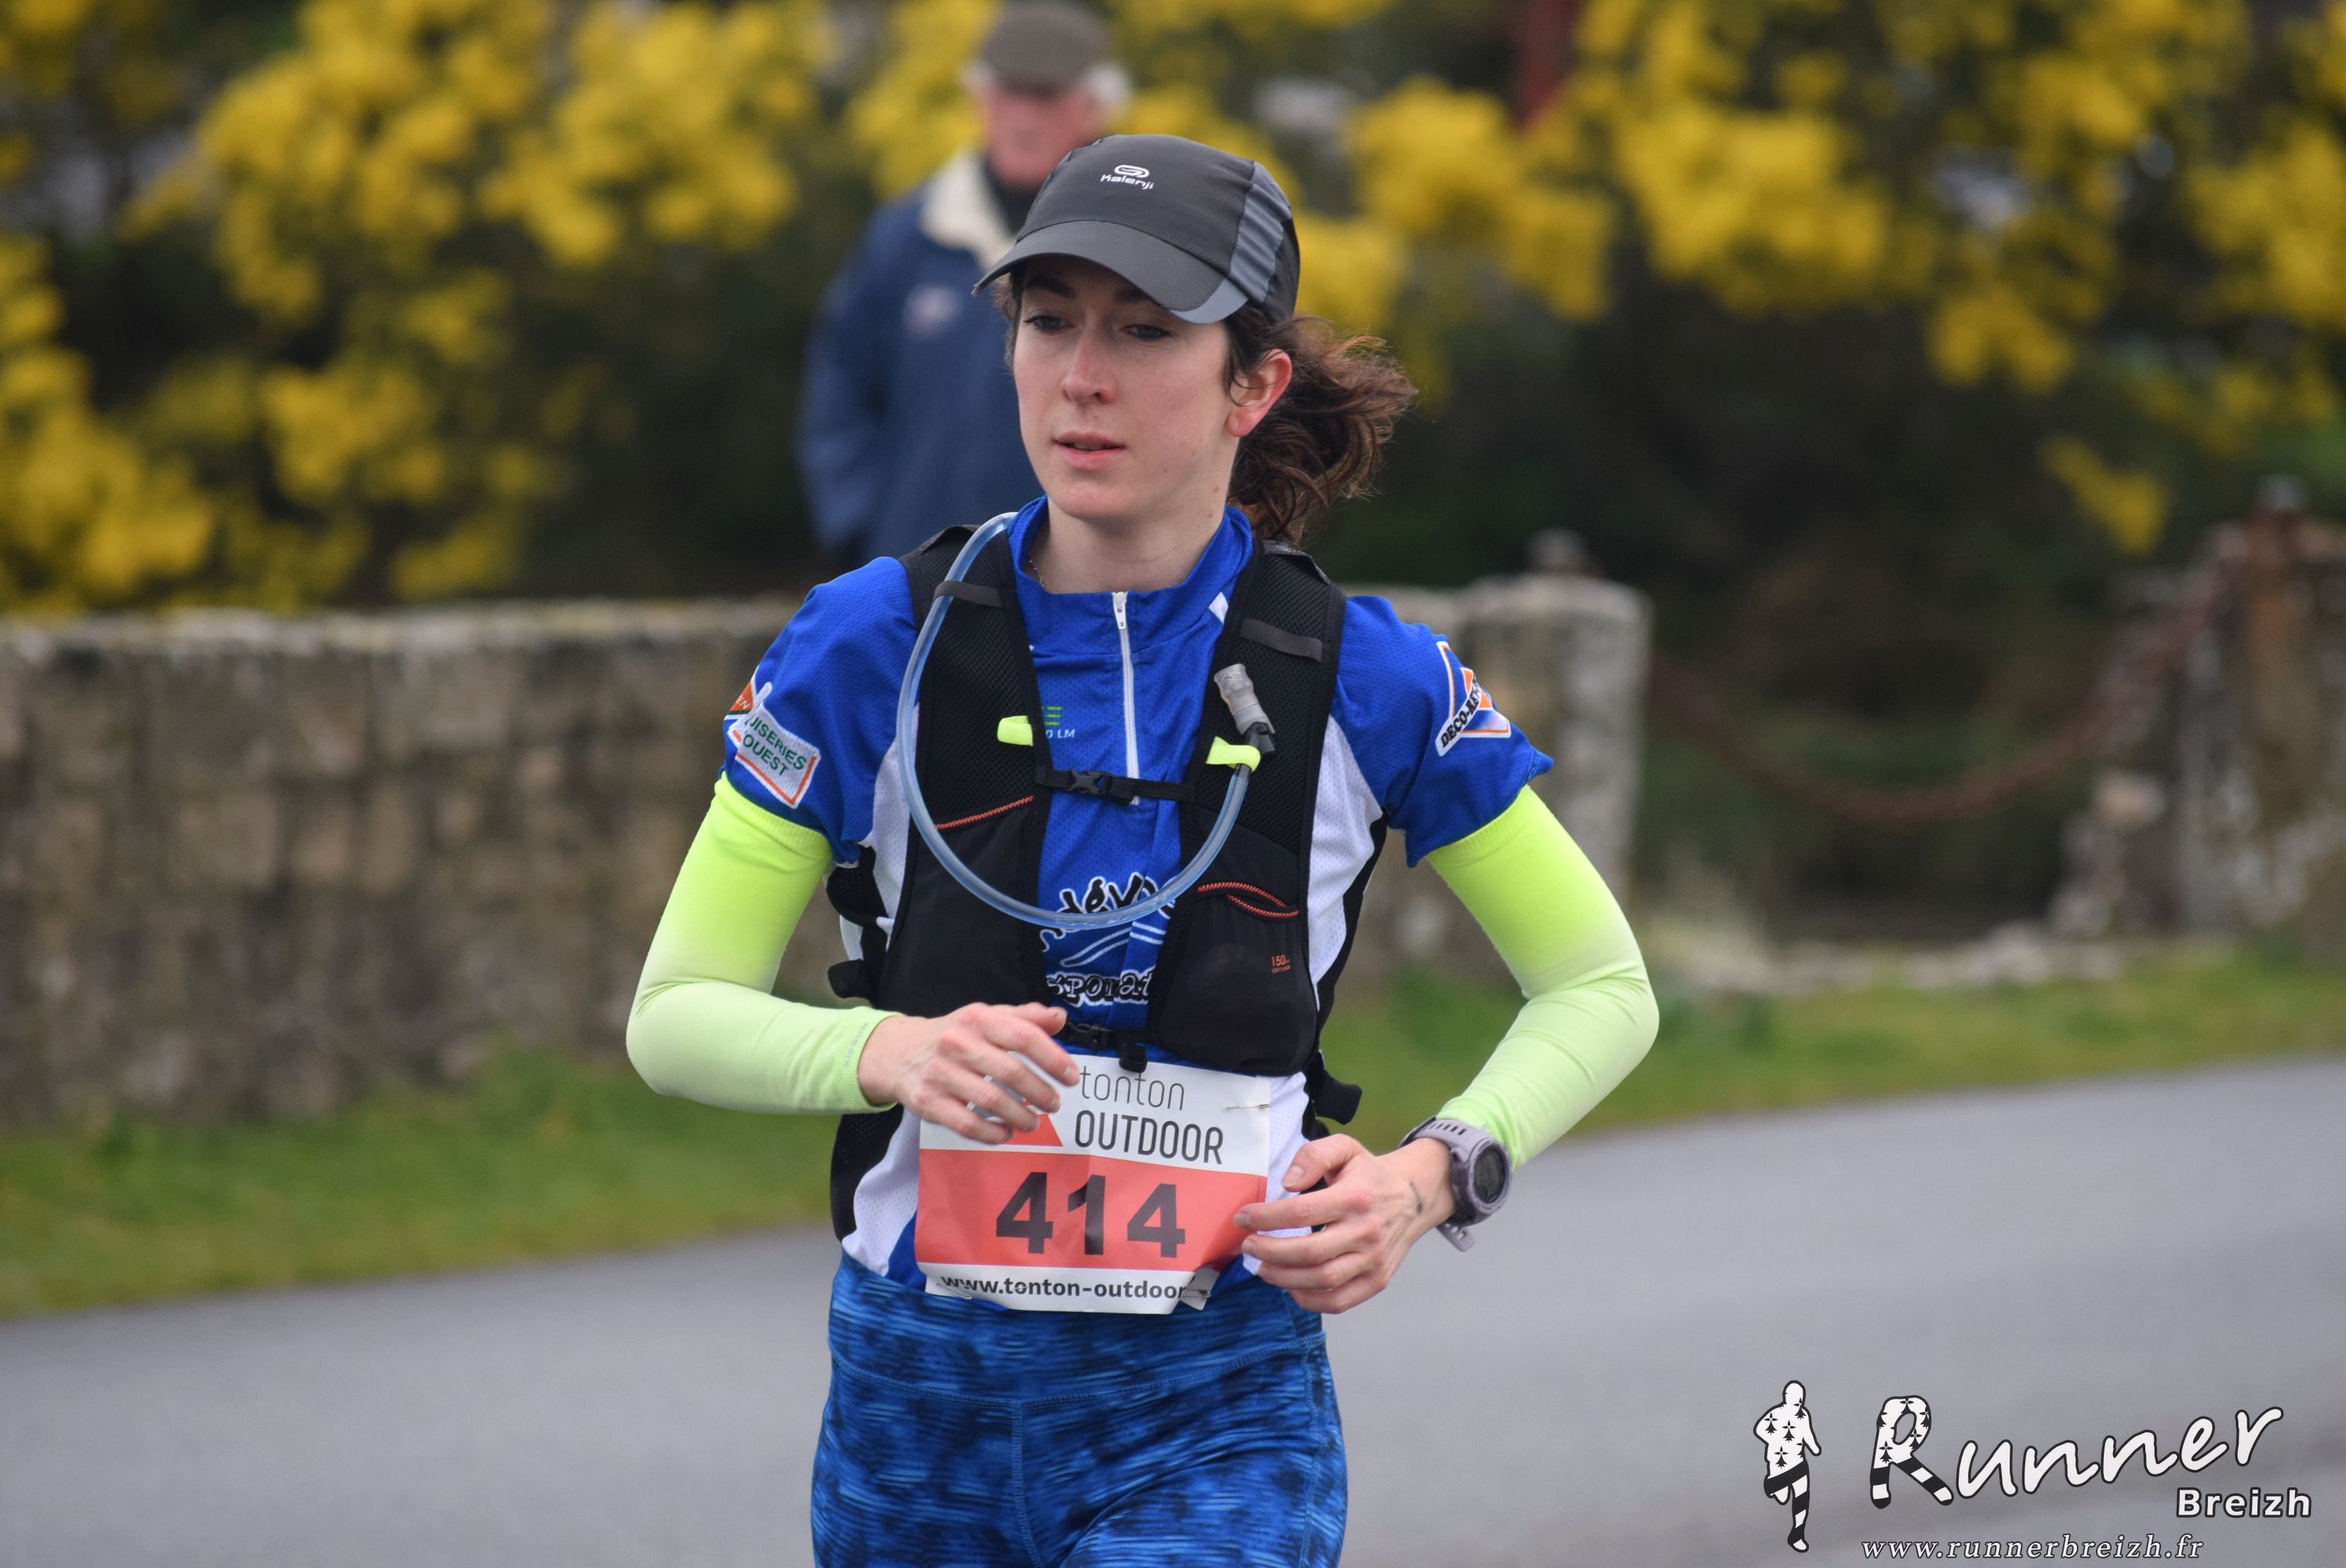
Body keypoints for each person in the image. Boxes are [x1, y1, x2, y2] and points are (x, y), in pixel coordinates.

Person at [631, 132, 1659, 1566]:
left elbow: (1602, 986)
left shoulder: (1366, 674)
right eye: (1048, 321)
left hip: (1215, 1394)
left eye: (1144, 331)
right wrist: (888, 1054)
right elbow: (673, 1016)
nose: (1080, 377)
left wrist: (1427, 1181)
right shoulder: (868, 641)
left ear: (1255, 383)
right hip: (918, 1399)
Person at [795, 1, 1126, 568]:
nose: (1024, 118)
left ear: (1094, 105)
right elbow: (839, 386)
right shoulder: (907, 235)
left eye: (1046, 97)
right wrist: (859, 529)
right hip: (918, 571)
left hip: (1086, 576)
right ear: (981, 99)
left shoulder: (1134, 242)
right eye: (1008, 93)